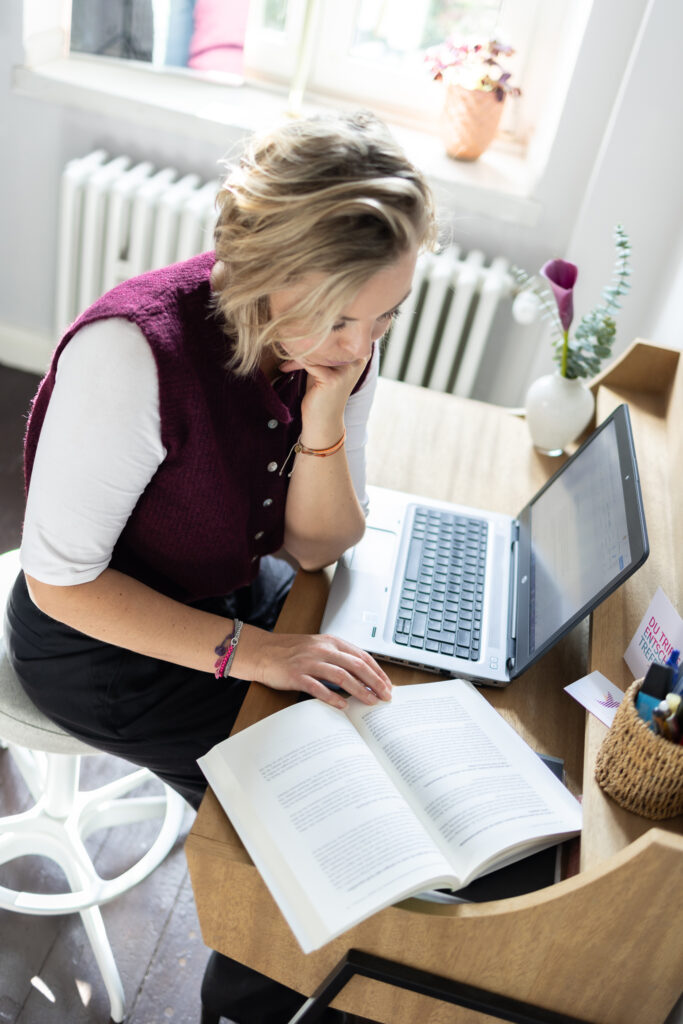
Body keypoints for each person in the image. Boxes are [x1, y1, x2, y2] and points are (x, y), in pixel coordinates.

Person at [6, 109, 436, 1024]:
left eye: (386, 316)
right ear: (258, 270)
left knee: (380, 724)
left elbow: (317, 546)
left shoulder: (335, 355)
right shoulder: (133, 353)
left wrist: (324, 418)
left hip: (229, 595)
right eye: (339, 316)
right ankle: (252, 1007)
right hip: (101, 644)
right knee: (301, 818)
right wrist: (263, 654)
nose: (360, 346)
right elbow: (62, 583)